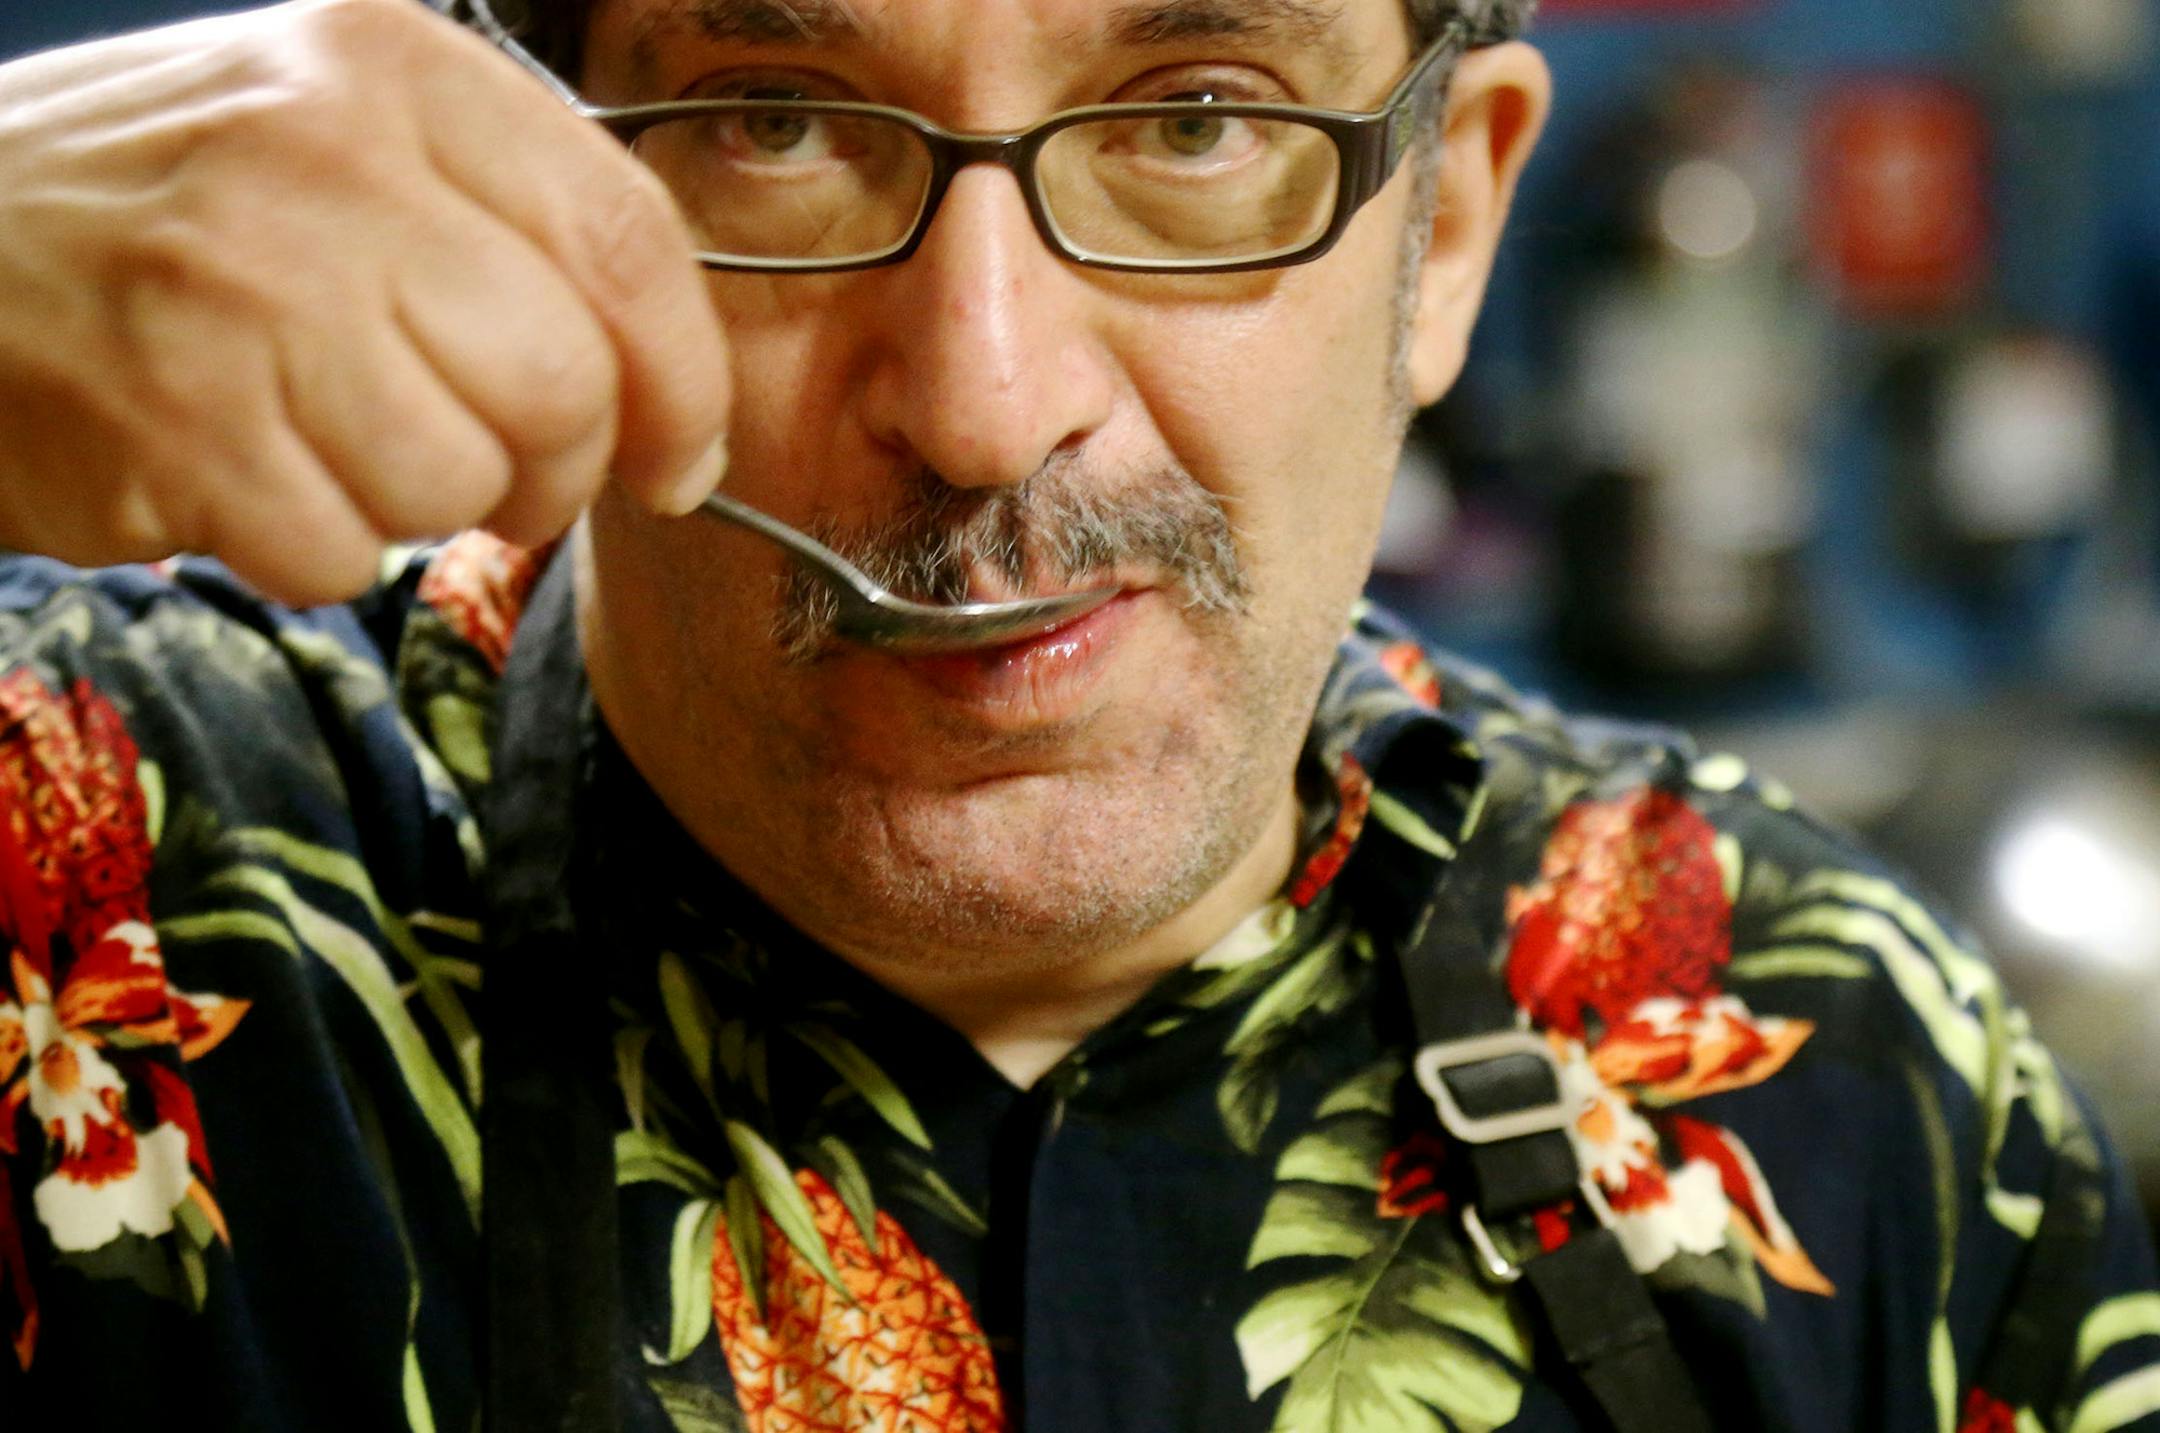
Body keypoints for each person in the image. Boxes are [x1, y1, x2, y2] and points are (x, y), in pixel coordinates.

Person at [0, 0, 2153, 1428]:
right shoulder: (87, 896)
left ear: (1458, 224)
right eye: (773, 123)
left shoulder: (1845, 1071)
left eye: (1198, 123)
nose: (984, 396)